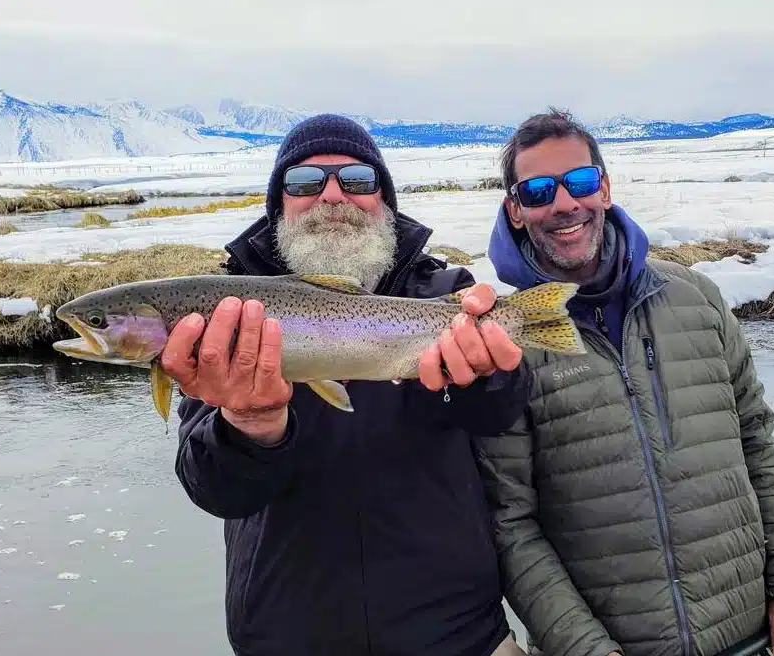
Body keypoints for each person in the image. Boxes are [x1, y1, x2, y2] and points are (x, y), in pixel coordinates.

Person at [162, 114, 532, 656]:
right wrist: (251, 427)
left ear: (385, 199)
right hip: (286, 640)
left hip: (460, 635)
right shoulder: (228, 316)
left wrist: (483, 376)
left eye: (357, 179)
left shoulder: (444, 295)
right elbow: (215, 489)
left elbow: (500, 413)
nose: (332, 196)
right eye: (304, 182)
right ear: (279, 205)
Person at [475, 108, 774, 656]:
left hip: (750, 635)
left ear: (605, 188)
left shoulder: (696, 298)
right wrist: (585, 648)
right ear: (515, 211)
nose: (564, 204)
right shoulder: (502, 340)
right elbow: (510, 521)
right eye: (538, 191)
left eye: (579, 181)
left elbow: (757, 443)